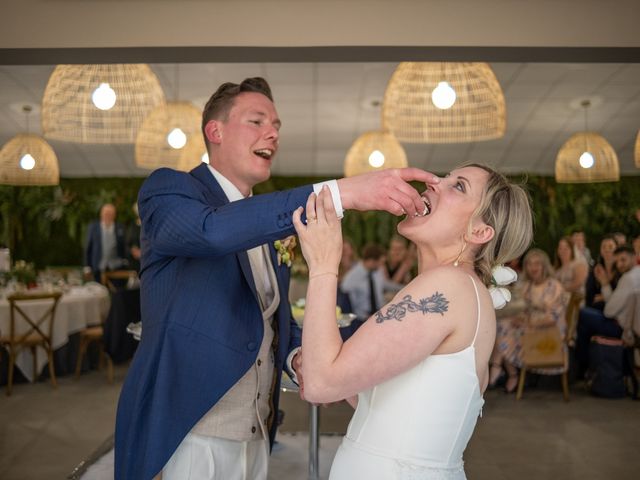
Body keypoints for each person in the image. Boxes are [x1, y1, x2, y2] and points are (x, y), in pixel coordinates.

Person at [113, 77, 440, 480]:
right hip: (186, 432)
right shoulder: (169, 190)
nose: (273, 133)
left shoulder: (269, 225)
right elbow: (211, 232)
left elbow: (269, 319)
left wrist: (294, 354)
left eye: (277, 125)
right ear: (214, 131)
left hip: (255, 432)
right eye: (257, 121)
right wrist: (341, 193)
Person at [292, 163, 533, 479]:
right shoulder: (455, 289)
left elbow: (321, 384)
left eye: (458, 186)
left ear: (479, 231)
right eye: (444, 177)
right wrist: (316, 367)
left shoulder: (449, 286)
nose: (434, 182)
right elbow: (394, 408)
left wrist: (324, 265)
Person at [492, 248, 568, 392]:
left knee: (503, 329)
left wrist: (526, 322)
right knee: (501, 324)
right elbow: (525, 311)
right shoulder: (527, 286)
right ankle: (510, 373)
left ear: (544, 266)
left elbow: (553, 318)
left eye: (537, 264)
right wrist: (520, 319)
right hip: (531, 328)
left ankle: (500, 369)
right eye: (530, 264)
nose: (533, 267)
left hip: (550, 332)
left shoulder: (554, 286)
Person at [576, 244, 639, 377]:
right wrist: (605, 285)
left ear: (634, 258)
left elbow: (609, 311)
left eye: (623, 260)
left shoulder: (628, 279)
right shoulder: (637, 273)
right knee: (586, 322)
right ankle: (588, 367)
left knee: (581, 314)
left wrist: (604, 286)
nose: (620, 265)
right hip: (632, 327)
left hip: (622, 329)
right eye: (618, 262)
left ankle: (583, 366)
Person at [341, 243, 403, 324]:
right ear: (372, 261)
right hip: (362, 319)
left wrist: (404, 287)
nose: (382, 265)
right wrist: (362, 316)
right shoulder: (353, 276)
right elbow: (346, 298)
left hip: (379, 313)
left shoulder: (377, 271)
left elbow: (384, 284)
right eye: (380, 262)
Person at [83, 203, 127, 283]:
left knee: (116, 293)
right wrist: (87, 266)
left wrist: (124, 260)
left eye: (111, 214)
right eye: (106, 213)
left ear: (114, 215)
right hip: (97, 267)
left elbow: (124, 246)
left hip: (116, 267)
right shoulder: (93, 227)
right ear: (101, 214)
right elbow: (88, 247)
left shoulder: (120, 227)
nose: (108, 216)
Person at [585, 235, 619, 311]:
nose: (607, 250)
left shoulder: (621, 270)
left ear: (616, 249)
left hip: (616, 311)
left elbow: (622, 296)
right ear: (600, 250)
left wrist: (604, 297)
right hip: (596, 309)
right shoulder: (596, 269)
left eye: (610, 247)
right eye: (604, 247)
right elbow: (590, 295)